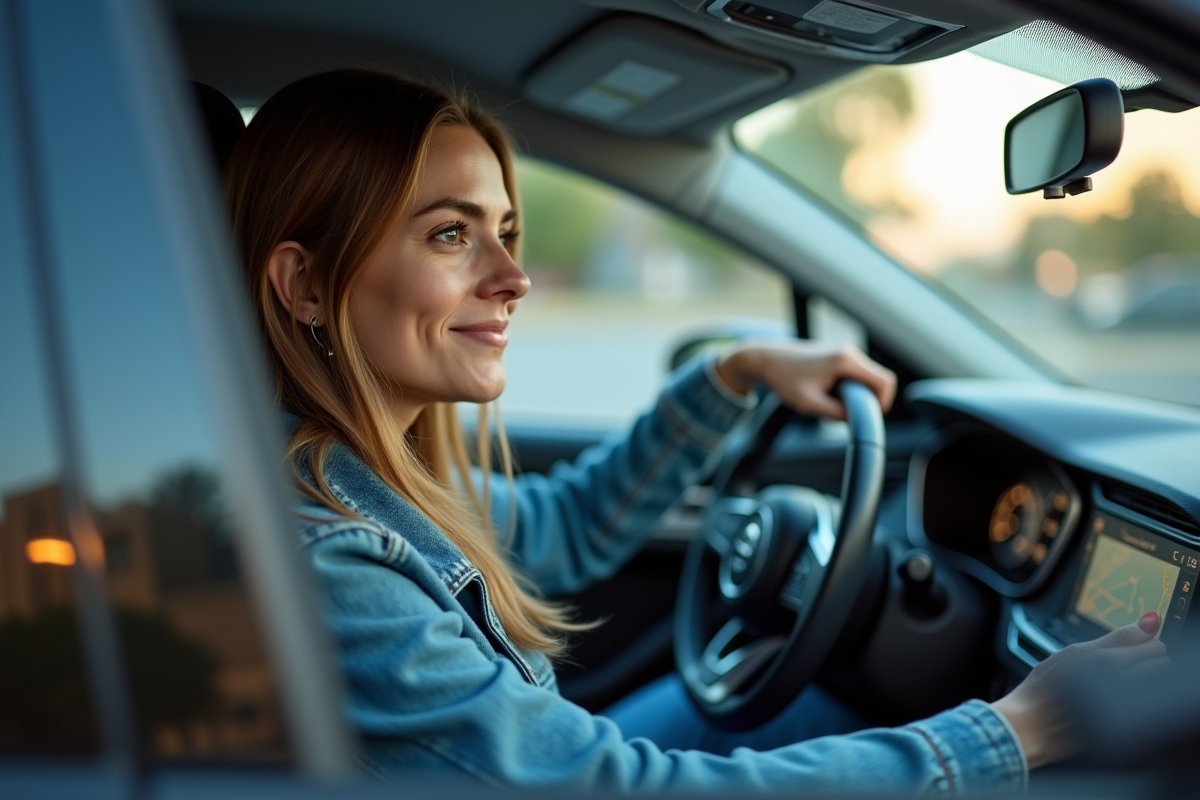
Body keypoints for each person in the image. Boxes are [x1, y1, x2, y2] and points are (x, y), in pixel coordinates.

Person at [224, 68, 1167, 793]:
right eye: (449, 234)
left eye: (507, 231)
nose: (512, 278)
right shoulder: (331, 563)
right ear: (305, 283)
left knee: (803, 694)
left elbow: (570, 524)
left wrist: (732, 376)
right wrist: (1015, 732)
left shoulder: (362, 480)